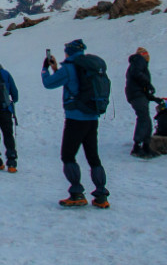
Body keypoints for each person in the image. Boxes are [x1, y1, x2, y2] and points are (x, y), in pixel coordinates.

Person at [42, 39, 109, 208]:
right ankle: (101, 195)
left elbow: (48, 83)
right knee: (93, 156)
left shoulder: (70, 68)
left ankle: (76, 193)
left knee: (68, 155)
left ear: (68, 52)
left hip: (75, 118)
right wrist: (56, 68)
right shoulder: (88, 67)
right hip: (92, 116)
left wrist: (45, 69)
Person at [126, 47, 158, 158]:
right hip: (137, 95)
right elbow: (137, 74)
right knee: (143, 118)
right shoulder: (139, 60)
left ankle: (145, 145)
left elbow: (140, 81)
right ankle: (137, 146)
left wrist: (152, 97)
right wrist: (148, 84)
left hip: (137, 95)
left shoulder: (137, 63)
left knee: (146, 118)